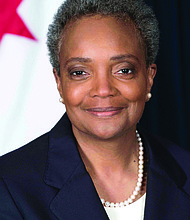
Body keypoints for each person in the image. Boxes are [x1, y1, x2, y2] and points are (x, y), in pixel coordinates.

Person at [0, 0, 190, 219]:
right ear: (59, 82)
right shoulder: (8, 186)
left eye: (123, 70)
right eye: (80, 72)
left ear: (149, 78)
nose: (103, 90)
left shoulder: (185, 168)